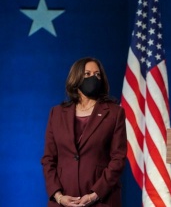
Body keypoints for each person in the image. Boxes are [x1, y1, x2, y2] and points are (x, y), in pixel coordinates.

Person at [41, 57, 127, 207]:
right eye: (87, 74)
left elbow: (118, 159)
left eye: (97, 74)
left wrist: (95, 194)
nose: (93, 78)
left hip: (102, 200)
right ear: (76, 78)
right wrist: (59, 196)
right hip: (64, 199)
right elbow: (49, 159)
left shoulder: (114, 113)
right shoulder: (56, 113)